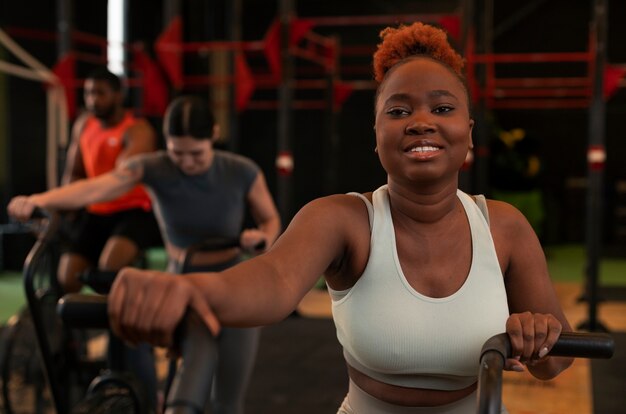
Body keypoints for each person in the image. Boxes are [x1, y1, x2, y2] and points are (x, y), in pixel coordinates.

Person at [104, 22, 573, 414]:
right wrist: (190, 287)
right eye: (399, 110)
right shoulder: (345, 220)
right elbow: (271, 279)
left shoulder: (503, 226)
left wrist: (540, 336)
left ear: (468, 134)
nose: (421, 121)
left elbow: (554, 364)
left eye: (443, 108)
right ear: (377, 134)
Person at [8, 95, 281, 413]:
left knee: (228, 400)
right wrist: (41, 199)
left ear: (214, 135)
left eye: (197, 154)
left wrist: (261, 238)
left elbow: (270, 218)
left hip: (232, 284)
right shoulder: (154, 167)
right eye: (177, 153)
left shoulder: (240, 170)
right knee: (189, 376)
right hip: (180, 282)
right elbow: (99, 187)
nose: (187, 163)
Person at [56, 67, 163, 293]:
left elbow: (119, 180)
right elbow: (74, 173)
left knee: (108, 271)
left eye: (100, 93)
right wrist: (65, 206)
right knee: (67, 278)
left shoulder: (137, 130)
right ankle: (84, 327)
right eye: (88, 94)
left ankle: (121, 324)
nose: (93, 100)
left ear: (118, 95)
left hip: (133, 212)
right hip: (96, 212)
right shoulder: (84, 125)